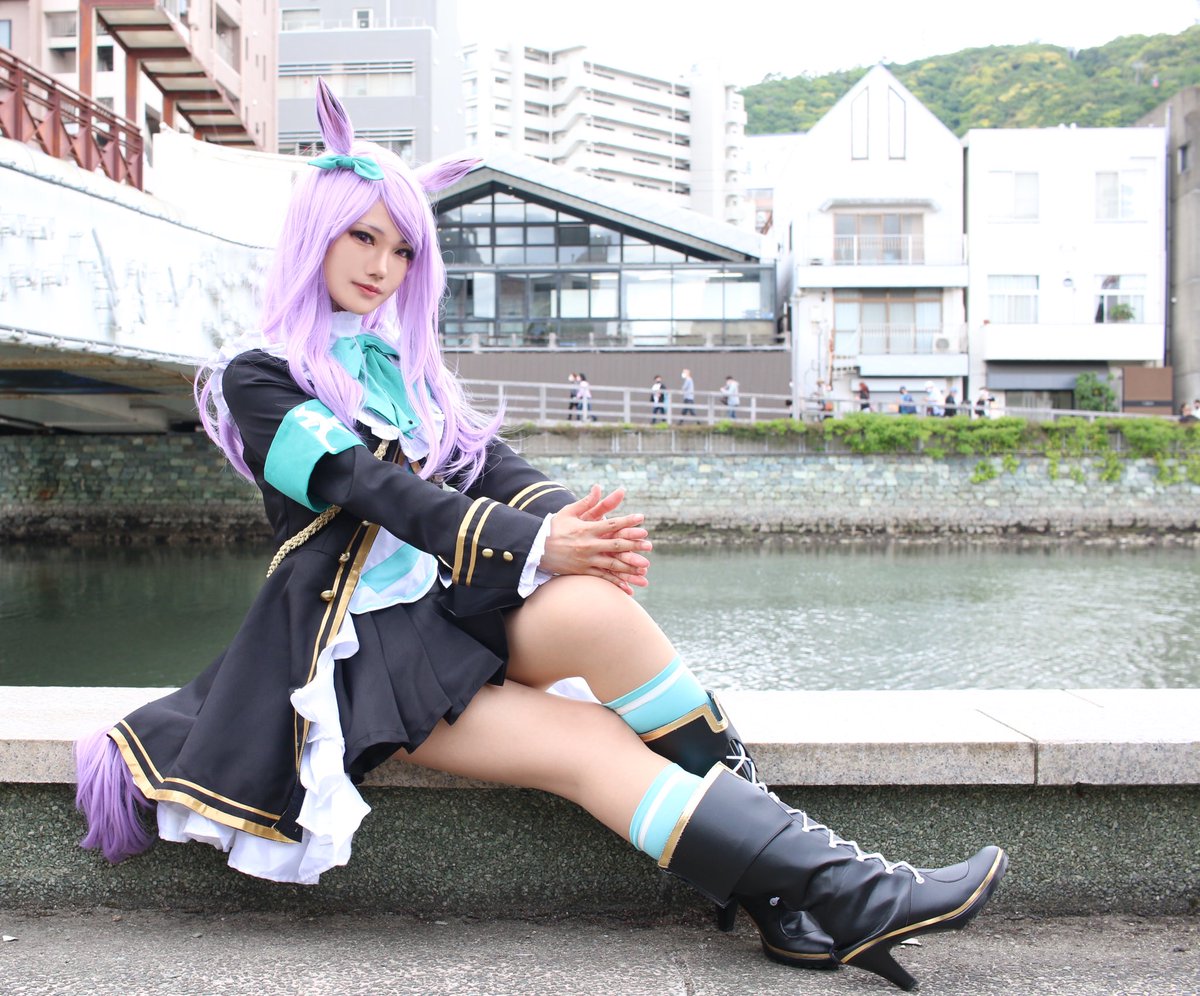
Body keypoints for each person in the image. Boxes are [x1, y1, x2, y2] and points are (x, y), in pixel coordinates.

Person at [73, 82, 1006, 993]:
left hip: (443, 613)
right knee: (592, 744)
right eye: (364, 236)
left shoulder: (400, 365)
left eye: (402, 248)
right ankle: (843, 895)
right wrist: (533, 547)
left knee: (597, 608)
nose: (383, 265)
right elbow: (370, 487)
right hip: (362, 654)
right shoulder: (260, 378)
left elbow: (486, 462)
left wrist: (569, 526)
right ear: (316, 232)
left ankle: (807, 901)